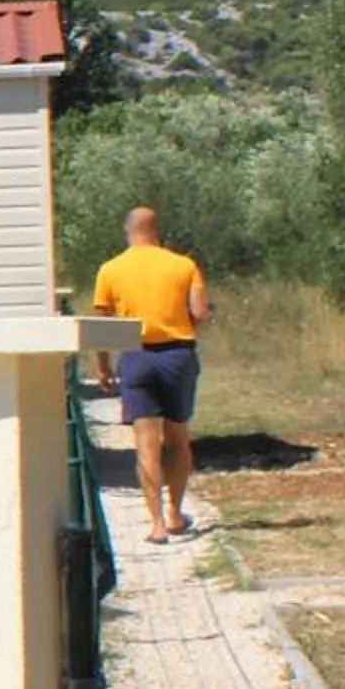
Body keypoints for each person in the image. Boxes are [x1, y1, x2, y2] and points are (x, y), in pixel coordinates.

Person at [91, 205, 212, 545]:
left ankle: (156, 524)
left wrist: (102, 366)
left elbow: (102, 324)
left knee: (146, 444)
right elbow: (200, 312)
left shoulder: (111, 269)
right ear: (157, 230)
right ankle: (175, 513)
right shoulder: (183, 265)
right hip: (177, 354)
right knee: (178, 438)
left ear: (128, 230)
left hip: (136, 355)